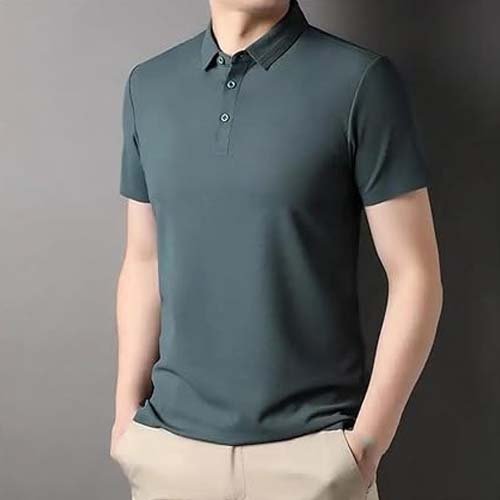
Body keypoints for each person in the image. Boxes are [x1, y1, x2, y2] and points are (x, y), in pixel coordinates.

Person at [109, 1, 443, 499]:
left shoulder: (360, 82)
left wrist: (366, 445)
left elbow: (415, 274)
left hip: (313, 457)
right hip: (170, 456)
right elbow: (143, 259)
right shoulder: (148, 87)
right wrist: (126, 419)